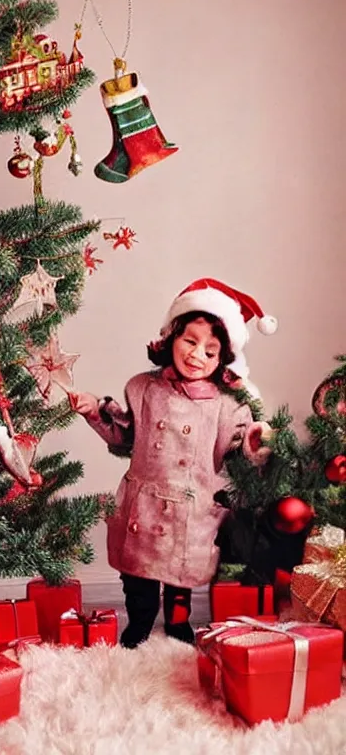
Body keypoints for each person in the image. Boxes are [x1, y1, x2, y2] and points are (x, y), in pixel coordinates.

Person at [68, 278, 277, 648]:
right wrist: (94, 412)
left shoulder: (227, 405)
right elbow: (126, 437)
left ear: (222, 360)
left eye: (210, 351)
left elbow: (240, 452)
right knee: (138, 575)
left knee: (180, 575)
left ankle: (179, 626)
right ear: (170, 338)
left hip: (194, 505)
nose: (197, 355)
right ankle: (140, 623)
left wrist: (257, 443)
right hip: (145, 500)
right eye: (190, 341)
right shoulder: (144, 388)